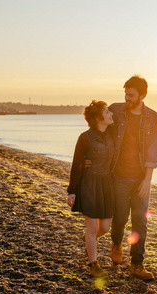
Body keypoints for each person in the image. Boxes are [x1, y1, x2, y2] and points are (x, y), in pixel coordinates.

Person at [108, 75, 157, 281]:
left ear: (143, 95)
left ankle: (136, 265)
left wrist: (147, 179)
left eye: (131, 95)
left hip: (140, 179)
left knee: (140, 221)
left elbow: (153, 150)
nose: (127, 98)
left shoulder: (153, 118)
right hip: (118, 177)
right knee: (120, 217)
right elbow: (100, 131)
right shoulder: (115, 110)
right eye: (125, 94)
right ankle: (116, 243)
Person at [67, 100, 114, 278]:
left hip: (106, 185)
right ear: (96, 118)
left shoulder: (112, 134)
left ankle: (88, 240)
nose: (111, 114)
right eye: (107, 112)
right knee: (92, 226)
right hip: (89, 184)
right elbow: (77, 164)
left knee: (105, 227)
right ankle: (94, 264)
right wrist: (71, 190)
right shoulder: (84, 137)